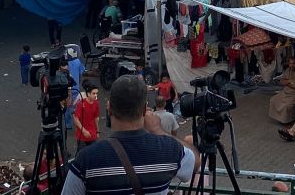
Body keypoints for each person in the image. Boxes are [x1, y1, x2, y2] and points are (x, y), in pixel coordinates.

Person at [59, 74, 195, 195]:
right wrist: (157, 129)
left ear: (109, 109)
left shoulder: (86, 159)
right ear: (144, 110)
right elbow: (195, 161)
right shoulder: (170, 149)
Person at [268, 56, 295, 124]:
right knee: (273, 100)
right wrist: (290, 81)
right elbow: (281, 81)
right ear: (288, 64)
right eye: (290, 63)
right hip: (286, 92)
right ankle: (280, 118)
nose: (292, 65)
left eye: (294, 63)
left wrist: (286, 82)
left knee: (286, 106)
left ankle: (288, 120)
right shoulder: (287, 70)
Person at [74, 84, 101, 150]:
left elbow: (96, 118)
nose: (95, 95)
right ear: (88, 94)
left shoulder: (96, 103)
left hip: (92, 135)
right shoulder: (81, 104)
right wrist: (84, 131)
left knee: (93, 156)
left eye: (96, 93)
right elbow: (75, 118)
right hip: (82, 136)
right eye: (93, 93)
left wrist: (97, 131)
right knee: (82, 156)